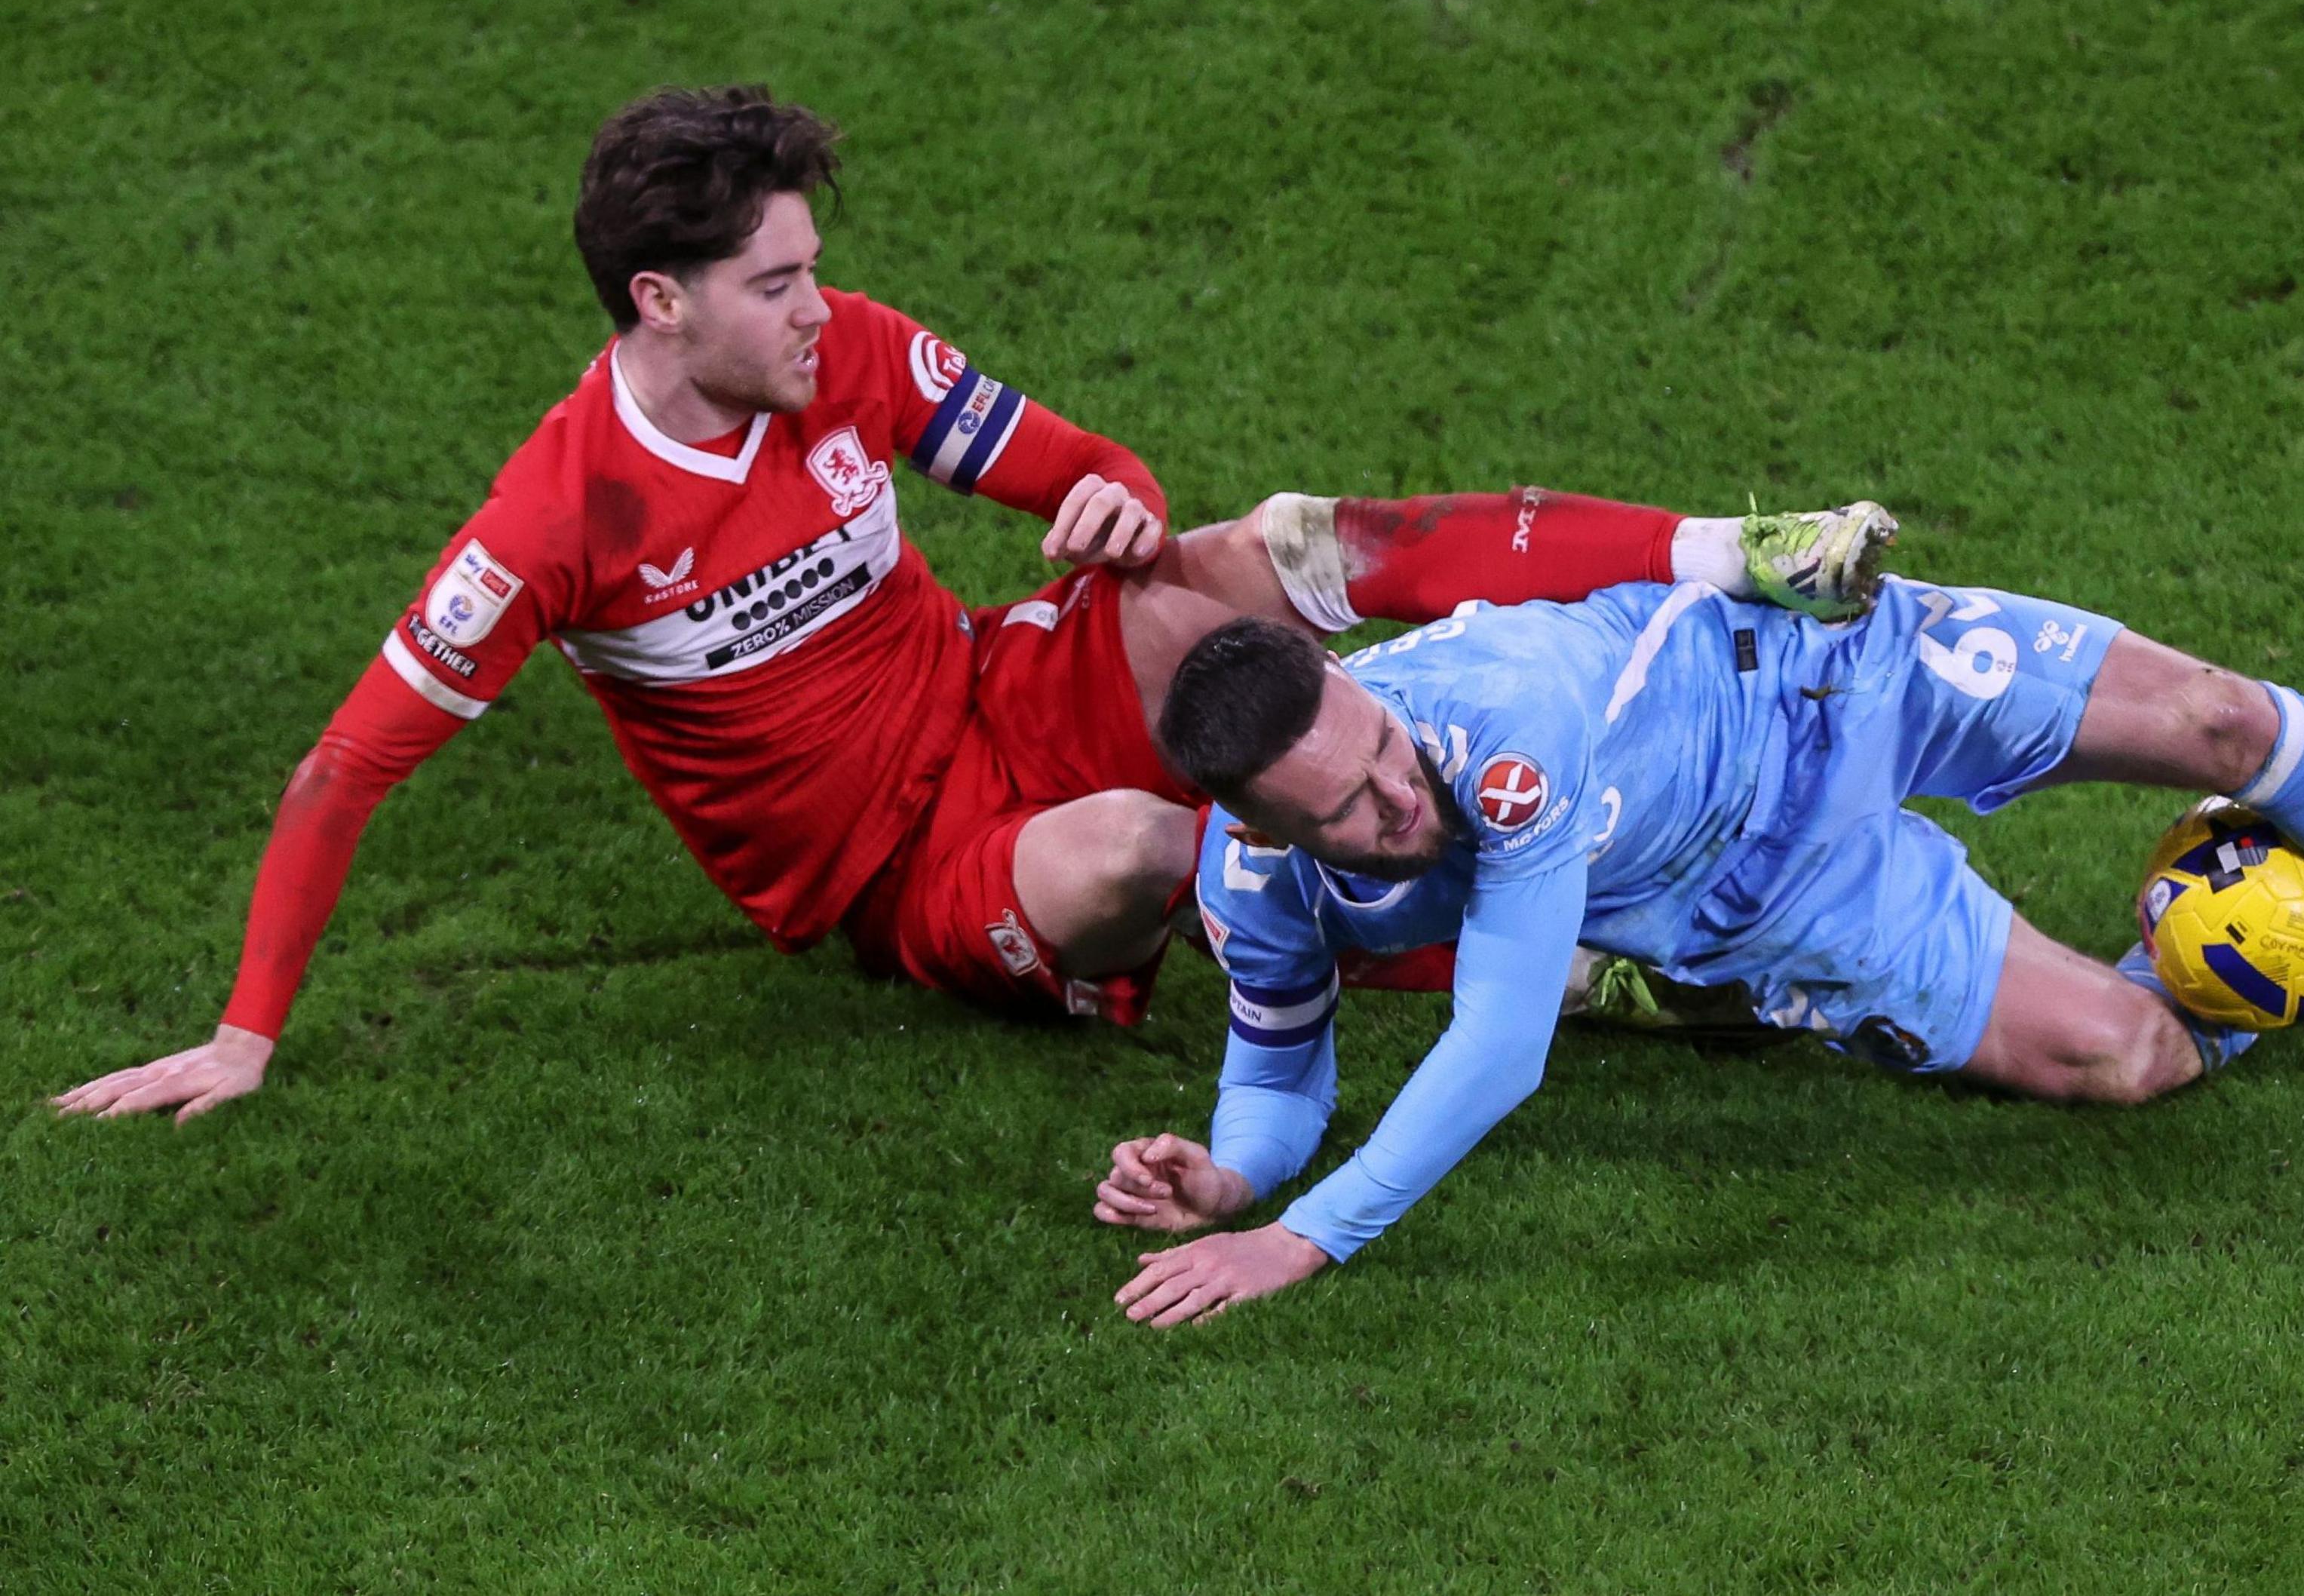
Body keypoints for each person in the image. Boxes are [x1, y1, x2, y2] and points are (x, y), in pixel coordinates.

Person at [50, 84, 1893, 1125]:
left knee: (1275, 552)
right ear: (654, 304)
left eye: (812, 273)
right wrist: (246, 1033)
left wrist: (1115, 507)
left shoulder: (844, 355)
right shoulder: (557, 522)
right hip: (894, 873)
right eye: (772, 282)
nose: (814, 307)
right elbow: (345, 768)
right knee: (1141, 856)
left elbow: (1098, 474)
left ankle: (1727, 556)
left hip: (995, 687)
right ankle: (1565, 954)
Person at [1091, 576, 2304, 1327]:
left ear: (1368, 686)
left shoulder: (1498, 736)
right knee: (2131, 1059)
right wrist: (1235, 1188)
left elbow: (1502, 1041)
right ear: (1267, 827)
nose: (1405, 798)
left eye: (1386, 748)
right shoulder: (1265, 891)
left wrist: (1309, 1247)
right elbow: (1273, 1071)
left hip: (1830, 680)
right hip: (1775, 913)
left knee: (2215, 714)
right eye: (1359, 811)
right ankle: (2301, 919)